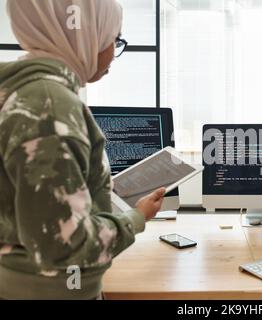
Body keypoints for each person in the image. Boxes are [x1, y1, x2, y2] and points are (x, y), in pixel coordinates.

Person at [0, 0, 165, 300]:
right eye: (113, 39)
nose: (114, 51)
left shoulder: (20, 91)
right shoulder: (50, 105)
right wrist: (136, 218)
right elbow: (64, 246)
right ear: (84, 34)